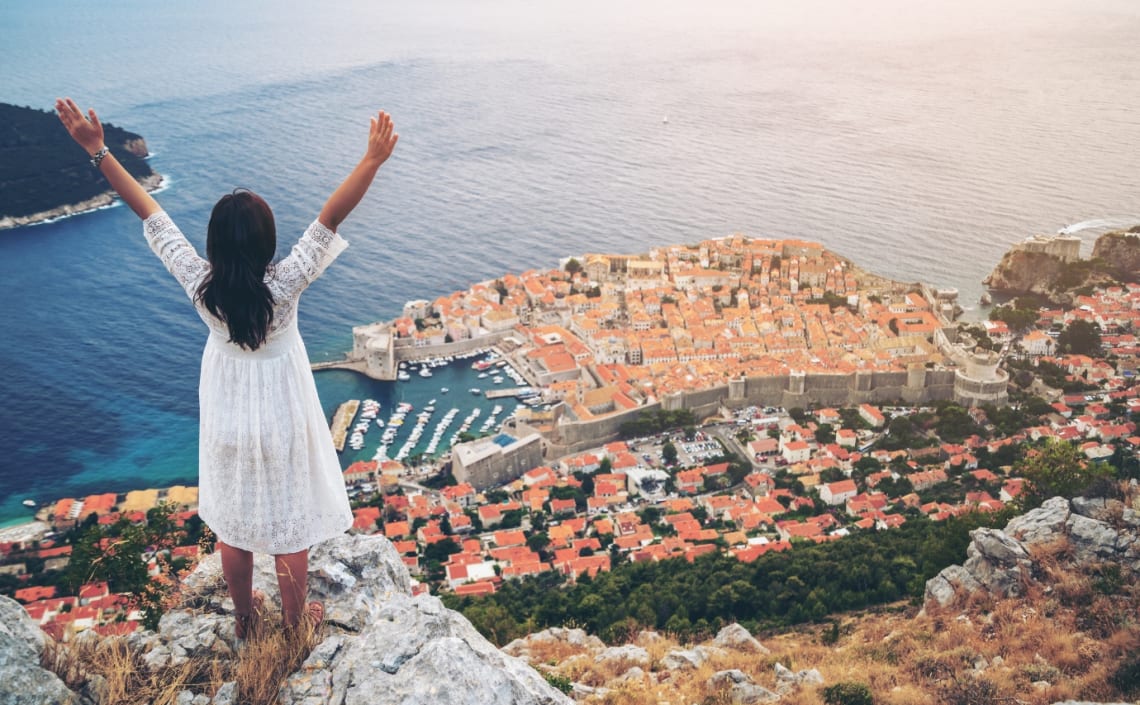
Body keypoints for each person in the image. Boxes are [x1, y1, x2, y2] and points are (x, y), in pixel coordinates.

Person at [55, 97, 398, 638]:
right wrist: (372, 160)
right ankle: (294, 627)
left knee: (233, 525)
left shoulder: (199, 285)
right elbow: (330, 217)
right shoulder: (285, 285)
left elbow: (151, 214)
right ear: (268, 242)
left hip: (227, 412)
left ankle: (245, 621)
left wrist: (97, 151)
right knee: (290, 527)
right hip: (283, 412)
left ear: (213, 243)